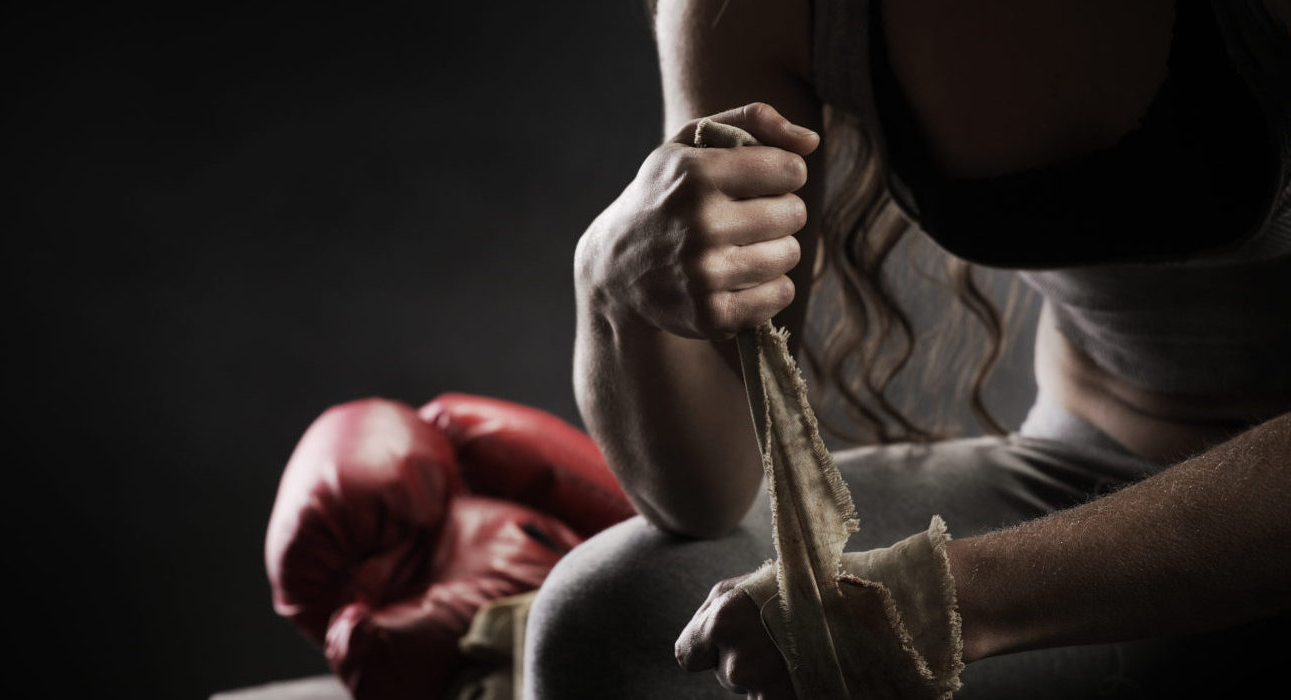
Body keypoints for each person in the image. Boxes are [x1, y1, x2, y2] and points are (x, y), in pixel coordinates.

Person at [525, 0, 1291, 697]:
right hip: (1084, 472)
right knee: (611, 620)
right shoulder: (754, 11)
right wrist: (612, 292)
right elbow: (705, 496)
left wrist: (944, 600)